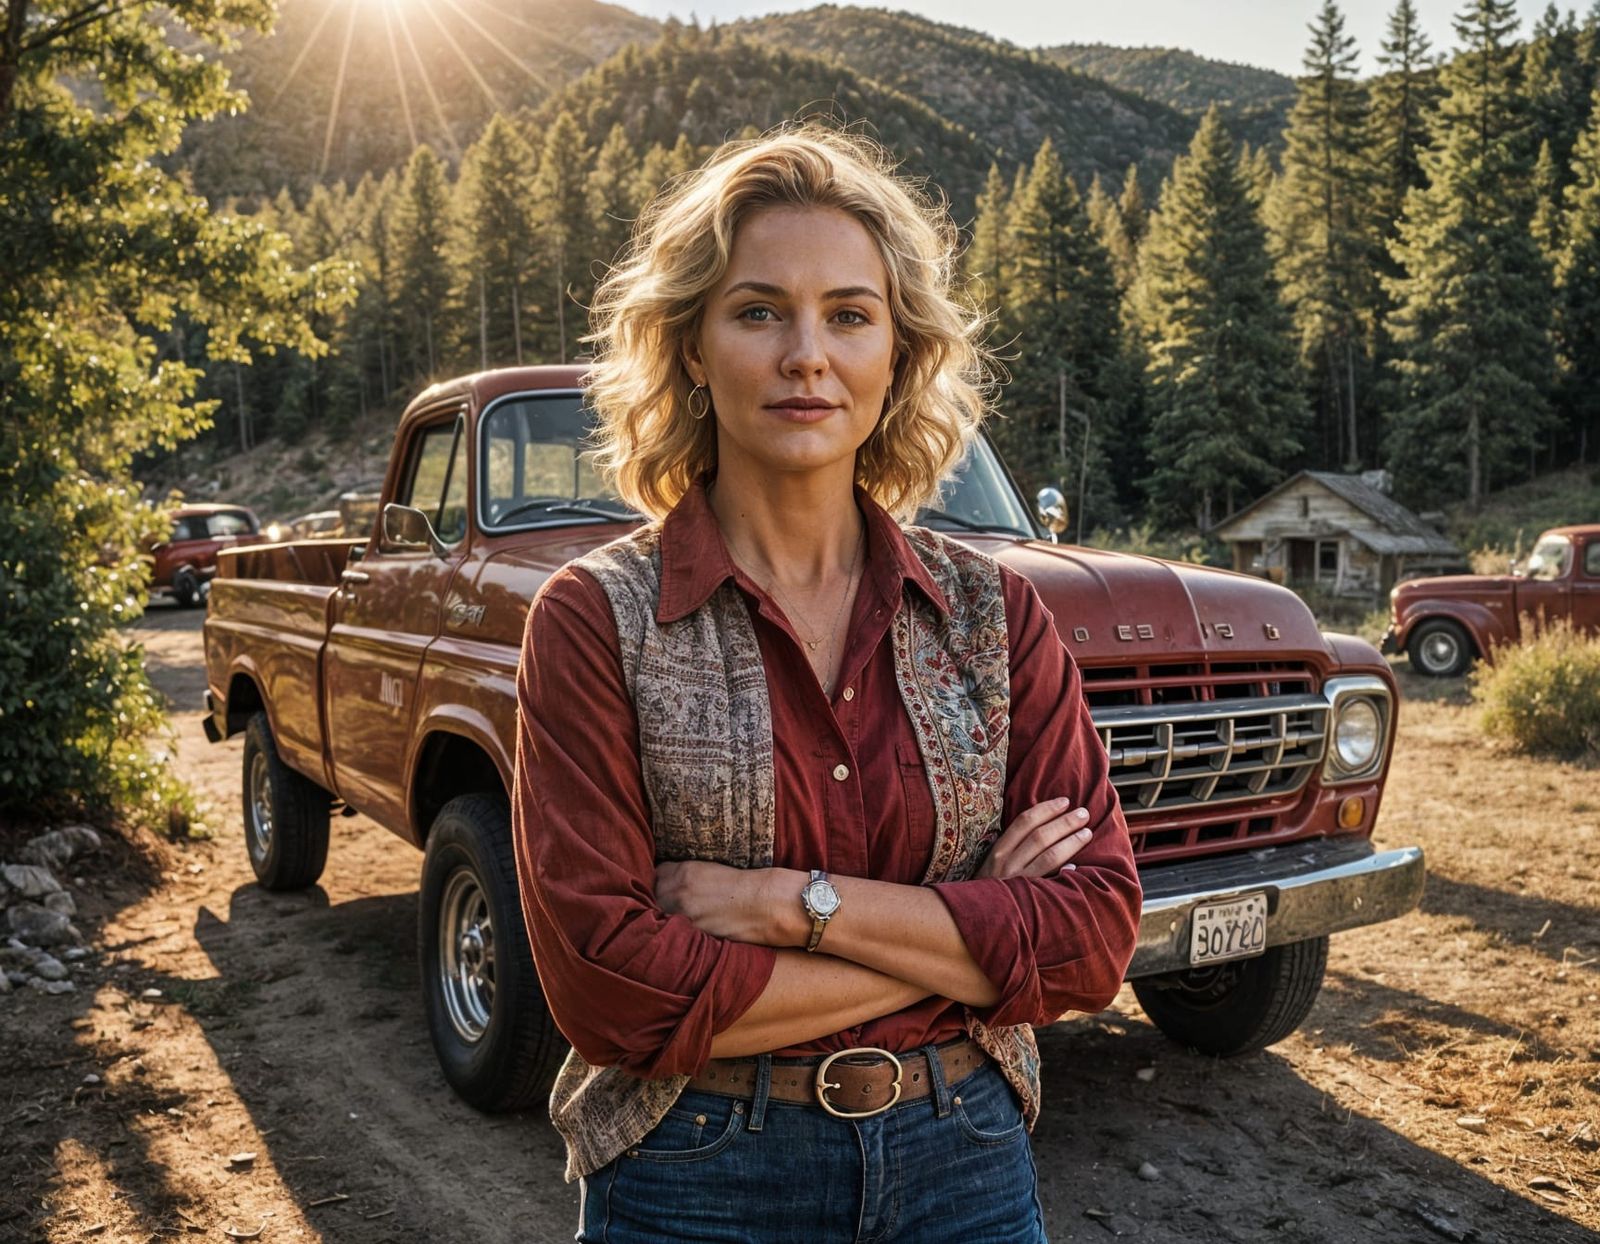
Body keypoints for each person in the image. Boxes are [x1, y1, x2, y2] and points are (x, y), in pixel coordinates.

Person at [512, 125, 1141, 1243]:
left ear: (896, 352)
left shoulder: (995, 616)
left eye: (849, 314)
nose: (807, 353)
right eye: (759, 311)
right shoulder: (594, 618)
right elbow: (612, 989)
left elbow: (1090, 935)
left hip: (969, 1159)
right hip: (694, 1170)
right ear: (693, 347)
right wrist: (980, 942)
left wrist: (786, 905)